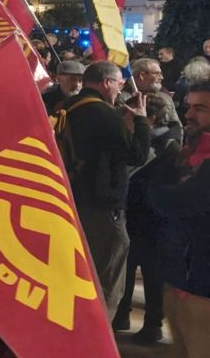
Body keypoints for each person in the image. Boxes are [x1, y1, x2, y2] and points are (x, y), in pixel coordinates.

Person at [59, 60, 151, 317]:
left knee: (74, 272)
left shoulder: (66, 107)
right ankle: (96, 337)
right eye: (119, 85)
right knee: (107, 275)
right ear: (106, 82)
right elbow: (136, 155)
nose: (120, 91)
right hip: (103, 206)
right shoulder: (104, 114)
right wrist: (141, 121)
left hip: (70, 199)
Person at [112, 93, 180, 344]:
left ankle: (153, 325)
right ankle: (122, 314)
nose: (125, 119)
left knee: (152, 275)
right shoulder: (140, 143)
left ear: (149, 118)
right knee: (126, 270)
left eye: (129, 114)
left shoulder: (169, 148)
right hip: (133, 218)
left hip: (151, 222)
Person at [151, 81, 210, 357]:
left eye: (200, 108)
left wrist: (161, 180)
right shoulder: (191, 152)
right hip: (181, 277)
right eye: (188, 106)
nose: (188, 114)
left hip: (202, 286)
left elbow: (175, 202)